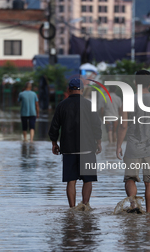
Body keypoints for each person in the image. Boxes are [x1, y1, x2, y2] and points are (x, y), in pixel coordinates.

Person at [116, 70, 150, 213]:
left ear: (135, 83)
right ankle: (148, 214)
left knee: (130, 178)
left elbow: (123, 125)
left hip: (133, 146)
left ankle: (133, 206)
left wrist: (118, 146)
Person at [49, 78, 102, 210]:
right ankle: (85, 206)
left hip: (68, 149)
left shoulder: (62, 105)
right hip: (87, 148)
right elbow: (97, 125)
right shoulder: (89, 105)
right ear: (82, 90)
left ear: (68, 90)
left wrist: (54, 143)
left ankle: (72, 209)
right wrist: (99, 142)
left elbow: (54, 126)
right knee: (88, 180)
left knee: (71, 181)